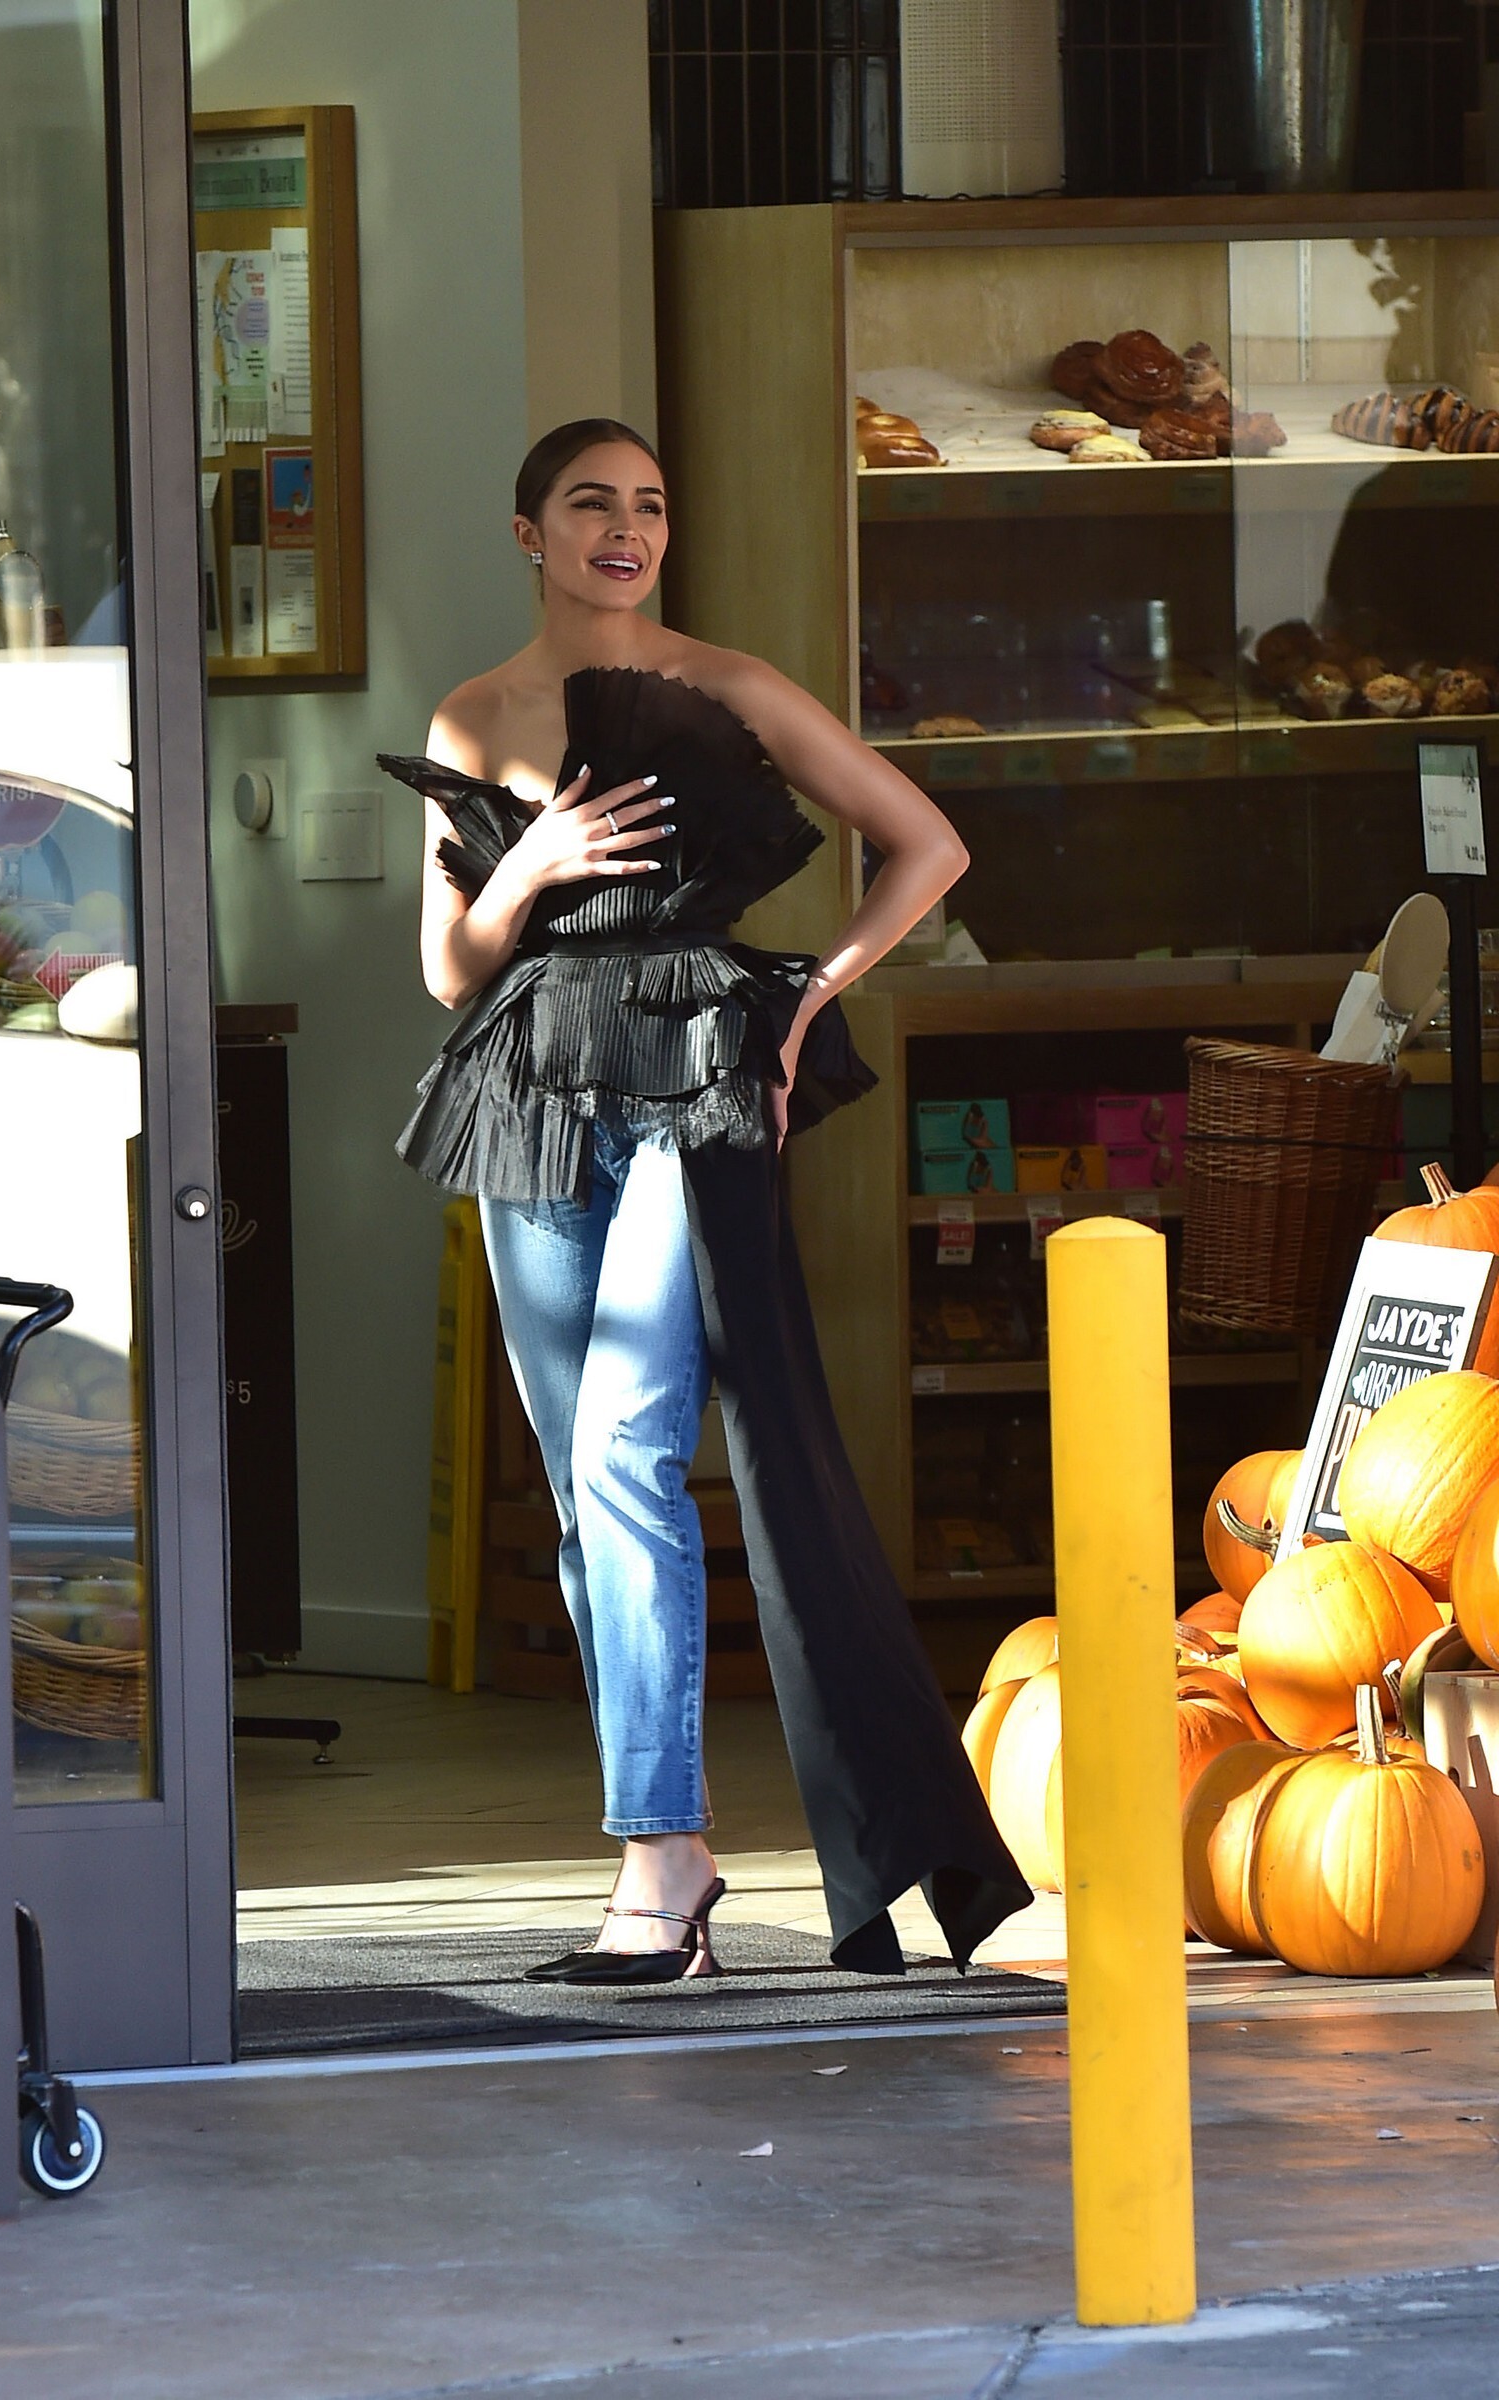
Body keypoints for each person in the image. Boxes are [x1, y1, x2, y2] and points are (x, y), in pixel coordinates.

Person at [380, 418, 1029, 1985]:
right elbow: (449, 971)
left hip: (694, 1077)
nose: (627, 528)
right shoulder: (473, 714)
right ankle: (667, 1852)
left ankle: (659, 1871)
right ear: (529, 532)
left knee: (627, 1448)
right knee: (585, 1485)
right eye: (591, 504)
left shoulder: (730, 685)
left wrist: (806, 999)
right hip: (532, 1091)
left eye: (651, 506)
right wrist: (532, 862)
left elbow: (929, 844)